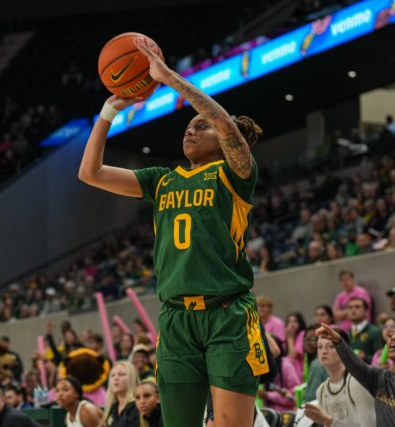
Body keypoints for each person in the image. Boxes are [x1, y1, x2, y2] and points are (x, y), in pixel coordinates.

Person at [79, 36, 268, 427]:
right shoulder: (161, 180)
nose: (191, 131)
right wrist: (108, 110)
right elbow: (90, 173)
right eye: (188, 126)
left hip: (227, 315)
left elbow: (225, 125)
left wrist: (169, 79)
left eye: (202, 127)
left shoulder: (235, 174)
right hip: (176, 319)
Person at [316, 322, 395, 426]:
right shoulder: (379, 378)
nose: (393, 338)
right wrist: (338, 341)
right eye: (392, 335)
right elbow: (355, 364)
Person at [304, 331, 376, 427]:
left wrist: (329, 421)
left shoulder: (357, 382)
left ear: (344, 349)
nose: (324, 351)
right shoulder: (321, 391)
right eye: (320, 347)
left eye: (331, 346)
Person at [102, 362, 140, 427]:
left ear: (132, 378)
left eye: (121, 374)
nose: (116, 378)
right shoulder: (112, 407)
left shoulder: (138, 405)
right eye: (112, 375)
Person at [347, 297, 383, 363]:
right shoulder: (347, 334)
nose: (353, 310)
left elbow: (380, 358)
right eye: (350, 307)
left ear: (366, 311)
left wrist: (365, 357)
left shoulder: (375, 331)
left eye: (357, 307)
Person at [284, 312, 306, 379]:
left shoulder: (303, 334)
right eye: (289, 321)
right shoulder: (287, 335)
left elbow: (293, 355)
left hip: (300, 372)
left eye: (295, 321)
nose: (292, 324)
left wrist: (290, 338)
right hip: (290, 371)